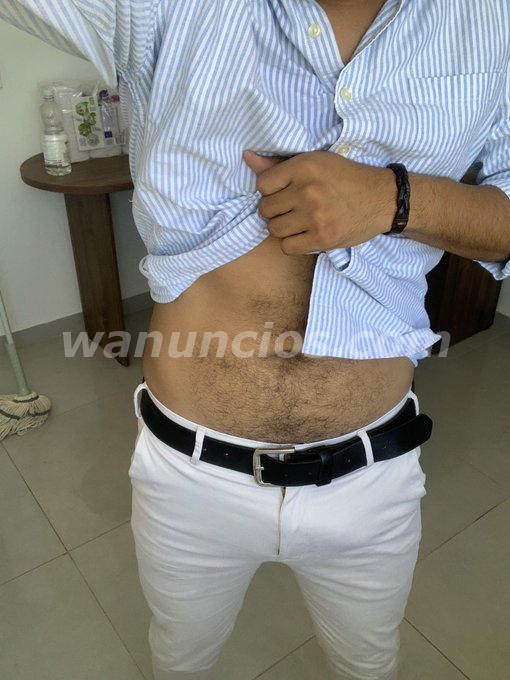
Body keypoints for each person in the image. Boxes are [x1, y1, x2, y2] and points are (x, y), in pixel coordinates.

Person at [2, 1, 509, 678]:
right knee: (181, 661)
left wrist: (396, 200)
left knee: (369, 665)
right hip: (189, 477)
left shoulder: (493, 21)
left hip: (372, 478)